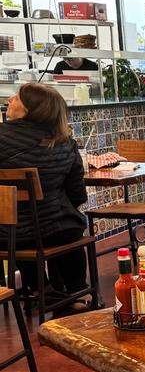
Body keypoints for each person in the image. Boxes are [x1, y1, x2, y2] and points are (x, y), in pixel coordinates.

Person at [0, 83, 89, 301]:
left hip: (7, 236)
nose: (9, 99)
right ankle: (77, 291)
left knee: (19, 227)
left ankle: (41, 289)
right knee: (68, 226)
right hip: (55, 232)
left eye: (17, 98)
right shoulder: (64, 142)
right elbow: (78, 195)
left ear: (31, 109)